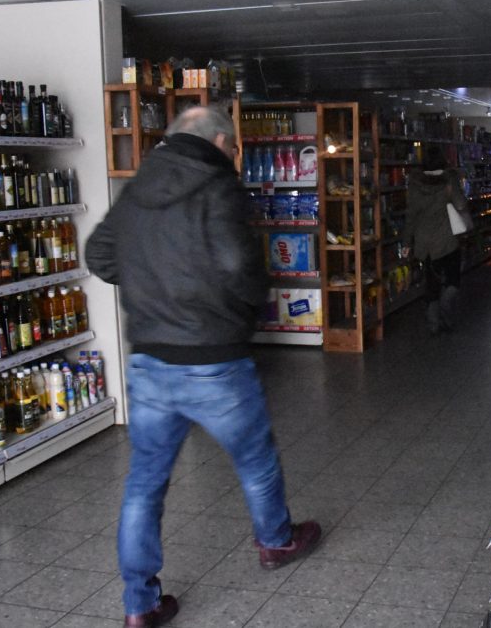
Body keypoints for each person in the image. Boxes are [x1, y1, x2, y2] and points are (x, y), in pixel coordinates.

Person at [86, 106, 321, 628]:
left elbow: (99, 256)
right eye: (234, 148)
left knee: (145, 483)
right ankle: (276, 542)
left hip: (149, 360)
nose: (235, 157)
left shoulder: (137, 187)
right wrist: (244, 310)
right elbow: (240, 268)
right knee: (255, 461)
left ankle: (139, 605)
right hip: (215, 359)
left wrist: (153, 288)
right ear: (219, 141)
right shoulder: (219, 187)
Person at [401, 146, 469, 333]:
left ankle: (433, 323)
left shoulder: (415, 183)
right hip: (447, 240)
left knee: (431, 282)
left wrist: (407, 242)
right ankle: (447, 311)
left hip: (425, 243)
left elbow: (411, 215)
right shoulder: (449, 179)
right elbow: (461, 203)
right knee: (453, 280)